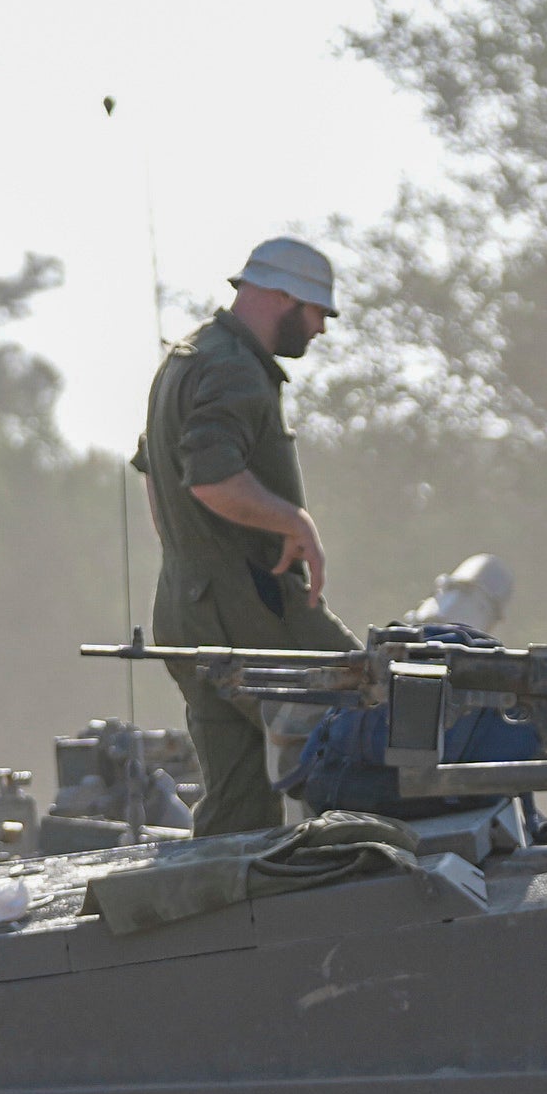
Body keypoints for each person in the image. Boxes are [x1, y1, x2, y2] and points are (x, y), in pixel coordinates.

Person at [135, 234, 351, 836]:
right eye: (317, 313)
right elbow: (210, 478)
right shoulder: (235, 369)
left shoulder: (186, 356)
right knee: (363, 732)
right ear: (283, 297)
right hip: (249, 610)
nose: (321, 330)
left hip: (186, 609)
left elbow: (157, 474)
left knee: (238, 810)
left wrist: (195, 559)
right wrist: (292, 521)